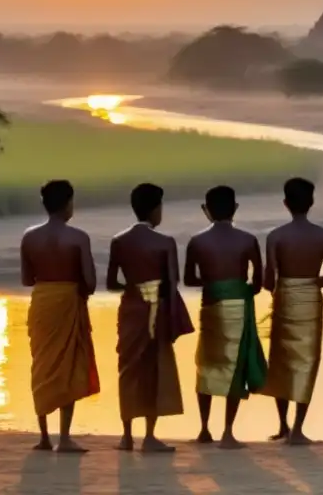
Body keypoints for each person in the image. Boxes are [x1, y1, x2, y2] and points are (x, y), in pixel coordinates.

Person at [106, 183, 192, 453]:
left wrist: (134, 289)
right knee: (154, 369)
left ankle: (126, 436)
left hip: (130, 308)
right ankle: (150, 436)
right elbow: (171, 283)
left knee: (128, 368)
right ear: (156, 209)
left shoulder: (119, 241)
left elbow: (111, 282)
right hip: (156, 310)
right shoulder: (165, 242)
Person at [262, 177, 323, 445]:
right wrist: (313, 281)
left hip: (285, 299)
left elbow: (268, 282)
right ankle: (297, 428)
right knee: (307, 362)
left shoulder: (276, 236)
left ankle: (283, 426)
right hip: (310, 300)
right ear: (311, 203)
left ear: (285, 203)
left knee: (281, 363)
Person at [184, 185, 267, 449]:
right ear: (236, 209)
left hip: (210, 303)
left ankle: (204, 429)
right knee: (235, 366)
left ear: (206, 210)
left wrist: (212, 282)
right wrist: (239, 288)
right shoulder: (247, 239)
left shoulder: (197, 241)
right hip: (239, 304)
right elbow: (258, 282)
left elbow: (188, 279)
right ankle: (228, 431)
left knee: (207, 364)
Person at [20, 179, 100, 453]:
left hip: (42, 301)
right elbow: (90, 283)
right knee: (69, 365)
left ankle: (44, 436)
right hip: (68, 300)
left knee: (41, 363)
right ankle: (64, 437)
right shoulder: (78, 237)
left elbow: (27, 279)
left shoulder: (29, 237)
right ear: (68, 204)